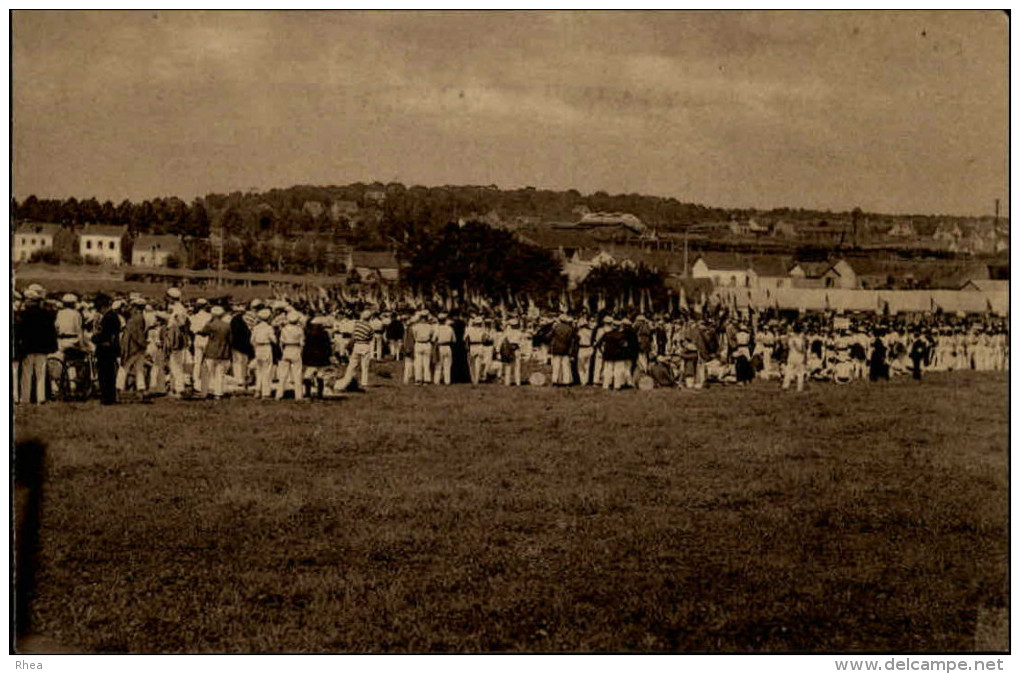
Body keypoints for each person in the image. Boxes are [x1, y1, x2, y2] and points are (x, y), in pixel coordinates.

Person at [16, 288, 57, 405]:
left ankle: (25, 398)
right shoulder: (46, 314)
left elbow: (20, 332)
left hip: (28, 348)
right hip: (42, 348)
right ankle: (41, 398)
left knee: (26, 374)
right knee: (41, 374)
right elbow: (51, 332)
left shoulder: (23, 315)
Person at [91, 293, 121, 405]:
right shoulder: (113, 316)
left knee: (104, 375)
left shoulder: (108, 318)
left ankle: (106, 398)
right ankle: (109, 397)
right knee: (109, 374)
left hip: (105, 350)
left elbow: (103, 335)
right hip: (111, 349)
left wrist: (94, 337)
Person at [199, 305, 232, 399]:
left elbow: (202, 332)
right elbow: (230, 339)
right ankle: (218, 393)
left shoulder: (210, 325)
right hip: (224, 351)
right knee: (220, 373)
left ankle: (206, 391)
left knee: (208, 372)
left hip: (211, 350)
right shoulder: (227, 326)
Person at [336, 309, 374, 391]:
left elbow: (354, 334)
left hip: (357, 344)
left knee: (352, 364)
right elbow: (371, 337)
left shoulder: (357, 324)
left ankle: (347, 379)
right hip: (365, 345)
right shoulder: (370, 327)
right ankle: (364, 382)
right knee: (365, 366)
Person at [276, 312, 305, 400]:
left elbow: (281, 342)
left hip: (286, 349)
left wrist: (282, 351)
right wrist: (301, 352)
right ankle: (298, 395)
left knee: (283, 374)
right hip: (295, 349)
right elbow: (302, 343)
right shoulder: (300, 330)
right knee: (297, 373)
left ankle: (279, 394)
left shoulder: (284, 329)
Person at [302, 316, 333, 399]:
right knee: (320, 376)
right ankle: (320, 394)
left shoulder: (309, 334)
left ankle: (308, 393)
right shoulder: (325, 334)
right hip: (322, 358)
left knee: (307, 376)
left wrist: (304, 357)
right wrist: (329, 356)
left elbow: (306, 347)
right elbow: (328, 346)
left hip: (311, 358)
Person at [250, 308, 277, 399]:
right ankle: (265, 392)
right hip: (266, 347)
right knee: (267, 371)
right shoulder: (269, 328)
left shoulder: (256, 328)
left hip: (258, 348)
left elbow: (252, 340)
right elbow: (274, 340)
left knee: (259, 370)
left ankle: (258, 389)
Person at [229, 303, 254, 392]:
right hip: (247, 344)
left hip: (237, 344)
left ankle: (239, 380)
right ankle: (243, 378)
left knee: (237, 363)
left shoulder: (234, 320)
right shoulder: (250, 319)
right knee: (244, 362)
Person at [548, 313, 576, 386]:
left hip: (556, 348)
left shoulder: (556, 327)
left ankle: (555, 381)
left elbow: (549, 336)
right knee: (566, 366)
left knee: (556, 365)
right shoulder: (569, 329)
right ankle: (566, 381)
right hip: (565, 348)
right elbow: (571, 340)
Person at [781, 325, 807, 392]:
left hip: (791, 355)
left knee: (788, 371)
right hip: (799, 356)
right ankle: (799, 388)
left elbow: (786, 346)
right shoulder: (801, 339)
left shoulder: (790, 338)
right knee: (800, 373)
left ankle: (785, 385)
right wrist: (805, 356)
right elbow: (803, 349)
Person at [410, 312, 434, 384]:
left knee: (418, 362)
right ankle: (426, 379)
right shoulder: (430, 327)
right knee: (426, 362)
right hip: (426, 343)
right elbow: (432, 335)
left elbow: (414, 335)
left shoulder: (415, 327)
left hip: (419, 343)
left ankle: (418, 378)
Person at [433, 314, 456, 385]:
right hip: (448, 346)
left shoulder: (437, 328)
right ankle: (447, 380)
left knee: (439, 364)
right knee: (447, 365)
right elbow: (454, 340)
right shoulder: (450, 328)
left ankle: (437, 381)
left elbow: (433, 339)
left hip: (440, 346)